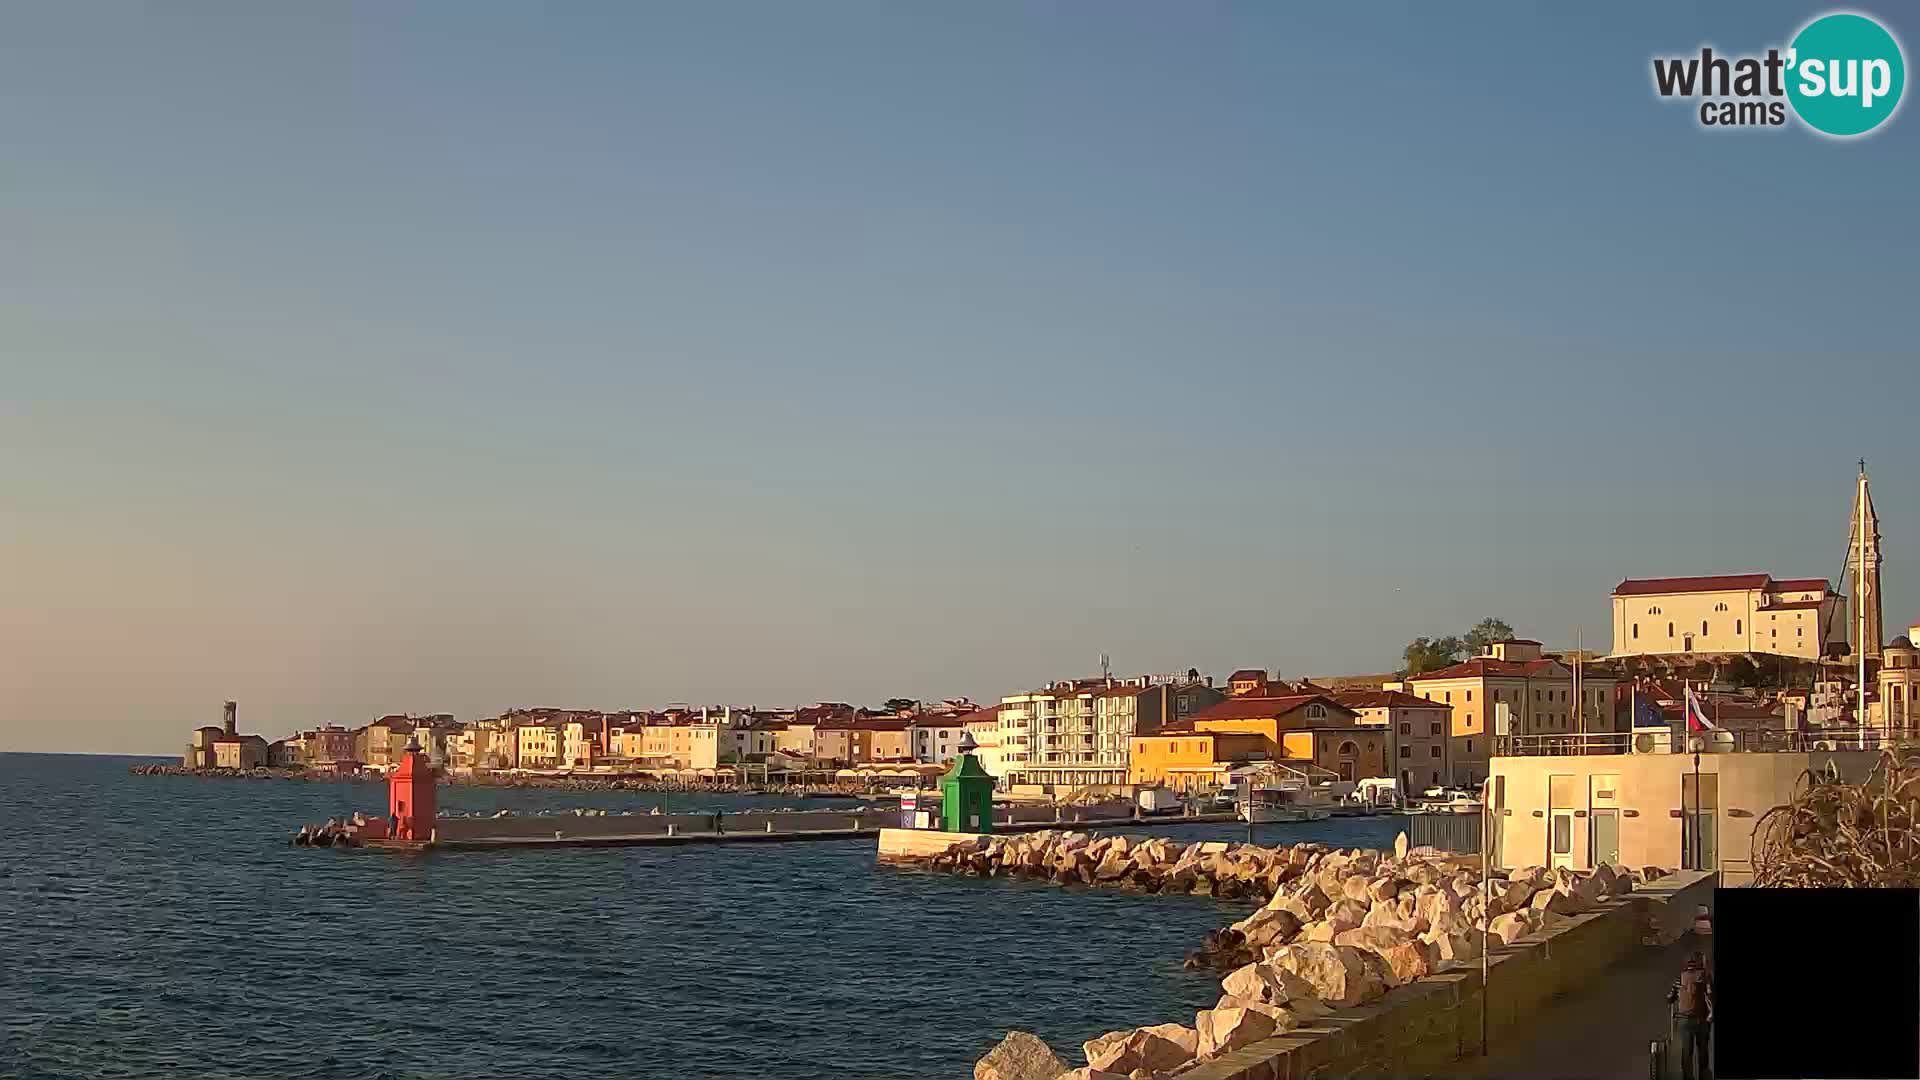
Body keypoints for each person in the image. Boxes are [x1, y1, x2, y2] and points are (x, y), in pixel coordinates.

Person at [1666, 950, 1714, 1080]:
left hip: (1684, 1020)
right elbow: (1711, 995)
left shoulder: (1680, 977)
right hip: (1702, 1020)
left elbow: (1670, 998)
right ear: (1700, 961)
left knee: (1686, 1054)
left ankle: (1687, 1078)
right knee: (1703, 1053)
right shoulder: (1705, 976)